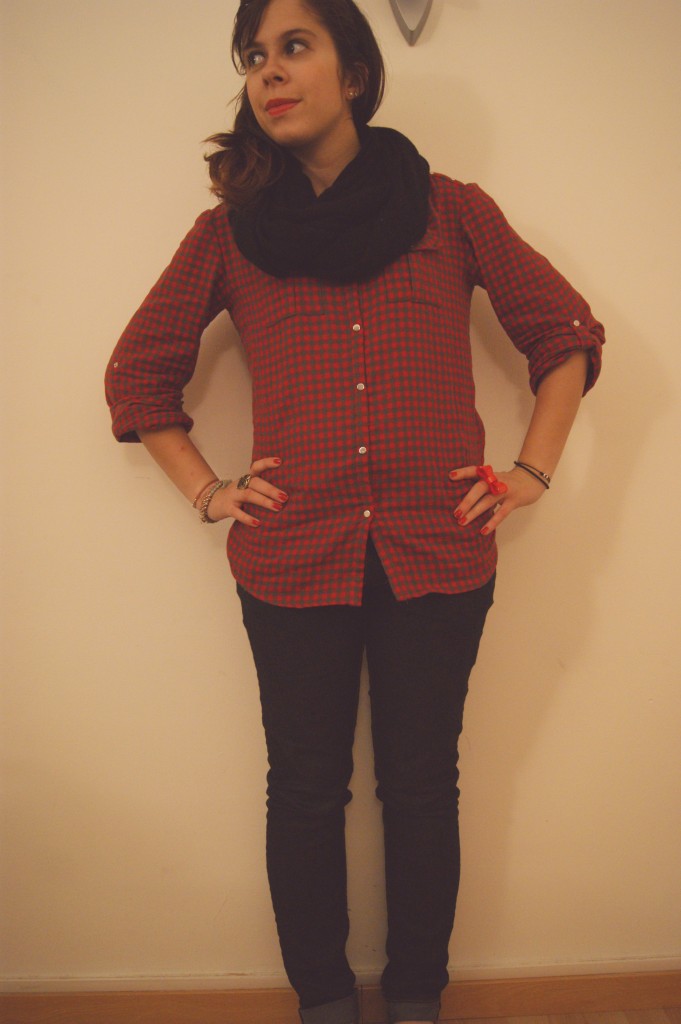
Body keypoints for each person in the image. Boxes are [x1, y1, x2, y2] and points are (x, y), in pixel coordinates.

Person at [105, 1, 605, 1022]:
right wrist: (208, 489)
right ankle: (324, 1001)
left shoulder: (451, 211)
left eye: (294, 47)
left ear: (356, 75)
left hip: (439, 549)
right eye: (254, 56)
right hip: (293, 555)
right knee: (304, 789)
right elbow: (138, 373)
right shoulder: (229, 234)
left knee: (421, 788)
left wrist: (533, 471)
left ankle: (417, 997)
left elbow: (563, 334)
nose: (268, 72)